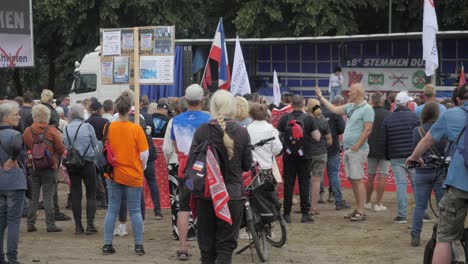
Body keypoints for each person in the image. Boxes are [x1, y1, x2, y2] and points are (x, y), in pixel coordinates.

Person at [407, 84, 468, 263]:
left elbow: (427, 140)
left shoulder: (451, 115)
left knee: (445, 237)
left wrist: (414, 157)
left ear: (458, 99)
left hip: (459, 182)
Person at [190, 90, 253, 263]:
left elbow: (192, 162)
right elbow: (247, 165)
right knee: (225, 246)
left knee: (207, 246)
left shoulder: (202, 131)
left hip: (207, 194)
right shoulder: (241, 132)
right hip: (232, 195)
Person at [315, 83, 374, 221]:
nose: (348, 94)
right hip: (350, 149)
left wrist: (356, 146)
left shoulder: (367, 109)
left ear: (358, 92)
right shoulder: (351, 107)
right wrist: (321, 97)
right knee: (353, 179)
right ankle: (358, 209)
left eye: (351, 92)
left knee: (357, 179)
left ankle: (360, 210)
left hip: (356, 150)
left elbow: (367, 130)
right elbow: (334, 109)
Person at [102, 91, 149, 256]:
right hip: (133, 173)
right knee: (135, 210)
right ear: (130, 110)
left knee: (112, 209)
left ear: (116, 108)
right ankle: (138, 246)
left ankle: (107, 244)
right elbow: (144, 155)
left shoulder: (108, 127)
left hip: (113, 173)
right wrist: (140, 168)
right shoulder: (136, 129)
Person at [171, 84, 210, 260]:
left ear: (185, 100)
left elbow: (175, 146)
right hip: (204, 169)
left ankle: (183, 247)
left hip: (185, 170)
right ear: (202, 99)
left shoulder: (176, 121)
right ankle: (207, 246)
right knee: (206, 206)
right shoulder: (209, 119)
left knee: (184, 208)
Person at [277, 94, 320, 223]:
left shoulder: (285, 118)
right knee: (304, 183)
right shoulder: (309, 119)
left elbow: (278, 135)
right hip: (305, 155)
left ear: (291, 104)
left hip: (289, 155)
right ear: (303, 103)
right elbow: (317, 137)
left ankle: (287, 214)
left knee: (289, 184)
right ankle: (305, 214)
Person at [23, 104, 65, 232]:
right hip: (49, 166)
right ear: (47, 116)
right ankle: (50, 224)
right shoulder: (52, 130)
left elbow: (25, 147)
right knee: (48, 196)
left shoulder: (27, 131)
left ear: (34, 116)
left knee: (34, 196)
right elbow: (61, 149)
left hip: (33, 166)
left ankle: (30, 224)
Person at [381, 91, 420, 224]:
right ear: (407, 103)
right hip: (413, 155)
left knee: (401, 185)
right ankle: (423, 213)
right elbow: (420, 137)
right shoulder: (414, 117)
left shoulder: (388, 119)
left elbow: (384, 140)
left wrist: (388, 156)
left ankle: (402, 215)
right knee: (417, 185)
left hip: (396, 156)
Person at [410, 102, 446, 247]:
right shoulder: (442, 129)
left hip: (421, 171)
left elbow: (414, 149)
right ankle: (442, 235)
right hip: (439, 171)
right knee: (441, 205)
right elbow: (445, 150)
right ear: (437, 114)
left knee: (420, 205)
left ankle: (415, 235)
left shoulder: (416, 131)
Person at [63, 104, 100, 234]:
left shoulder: (66, 128)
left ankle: (78, 226)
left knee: (76, 193)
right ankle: (90, 225)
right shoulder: (87, 127)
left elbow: (66, 146)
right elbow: (95, 145)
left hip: (72, 164)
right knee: (91, 194)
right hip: (87, 162)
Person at [0, 102, 27, 264]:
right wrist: (12, 159)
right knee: (14, 221)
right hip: (14, 182)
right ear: (5, 117)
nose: (19, 116)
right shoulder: (15, 134)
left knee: (1, 221)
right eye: (15, 114)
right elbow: (17, 146)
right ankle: (12, 258)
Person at [163, 98, 187, 240]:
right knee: (193, 196)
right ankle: (193, 230)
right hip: (194, 164)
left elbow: (167, 147)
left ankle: (179, 231)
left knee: (177, 198)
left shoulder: (173, 122)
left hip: (175, 163)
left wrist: (168, 162)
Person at [322, 95, 350, 210]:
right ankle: (338, 200)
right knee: (333, 173)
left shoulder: (316, 111)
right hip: (332, 147)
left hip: (317, 147)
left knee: (315, 175)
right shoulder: (336, 113)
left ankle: (313, 200)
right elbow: (343, 129)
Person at [365, 92, 391, 212]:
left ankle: (367, 202)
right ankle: (378, 203)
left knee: (370, 175)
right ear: (381, 101)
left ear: (372, 101)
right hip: (385, 148)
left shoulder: (367, 113)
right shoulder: (388, 114)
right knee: (382, 175)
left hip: (370, 147)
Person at [306, 99, 332, 216]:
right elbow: (329, 140)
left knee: (305, 180)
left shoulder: (304, 119)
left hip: (306, 154)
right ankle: (313, 208)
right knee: (316, 181)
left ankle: (305, 205)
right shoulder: (323, 121)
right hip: (320, 153)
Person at [246, 103, 282, 176]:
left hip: (252, 168)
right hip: (267, 166)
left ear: (251, 115)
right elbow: (278, 148)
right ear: (266, 115)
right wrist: (270, 154)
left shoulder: (247, 129)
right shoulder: (271, 129)